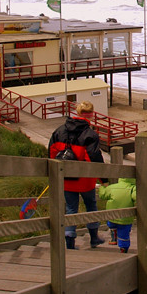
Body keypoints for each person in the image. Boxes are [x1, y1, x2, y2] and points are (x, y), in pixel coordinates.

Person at [48, 101, 105, 249]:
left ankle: (69, 241)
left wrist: (54, 174)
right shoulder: (90, 135)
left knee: (71, 209)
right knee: (91, 205)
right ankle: (94, 238)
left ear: (77, 113)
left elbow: (52, 153)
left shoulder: (59, 131)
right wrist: (104, 179)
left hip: (66, 178)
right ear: (91, 114)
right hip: (85, 179)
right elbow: (94, 157)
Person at [100, 177, 137, 253]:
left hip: (111, 215)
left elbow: (102, 195)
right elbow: (137, 197)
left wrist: (102, 187)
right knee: (124, 233)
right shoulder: (133, 188)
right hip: (125, 217)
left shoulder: (112, 187)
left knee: (111, 224)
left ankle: (113, 237)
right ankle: (123, 248)